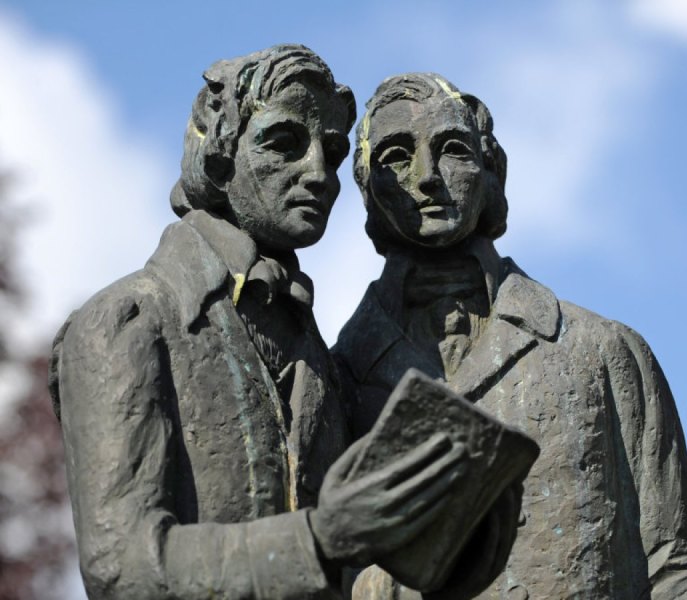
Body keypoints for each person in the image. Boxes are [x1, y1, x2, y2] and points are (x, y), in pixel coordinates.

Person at [48, 48, 467, 600]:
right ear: (220, 156)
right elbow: (123, 567)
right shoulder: (128, 321)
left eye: (334, 151)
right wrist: (319, 541)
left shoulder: (324, 358)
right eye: (284, 142)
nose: (319, 173)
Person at [334, 73, 687, 599]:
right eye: (396, 157)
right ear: (367, 191)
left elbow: (679, 567)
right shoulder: (335, 382)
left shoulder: (604, 352)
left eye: (451, 150)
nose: (426, 177)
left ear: (492, 172)